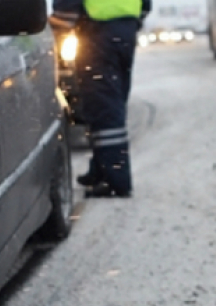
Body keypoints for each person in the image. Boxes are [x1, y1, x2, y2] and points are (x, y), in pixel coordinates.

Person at [50, 0, 150, 197]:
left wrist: (51, 28)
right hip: (124, 30)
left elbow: (65, 11)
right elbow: (146, 5)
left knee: (103, 105)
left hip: (97, 33)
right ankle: (101, 168)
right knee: (114, 99)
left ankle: (115, 179)